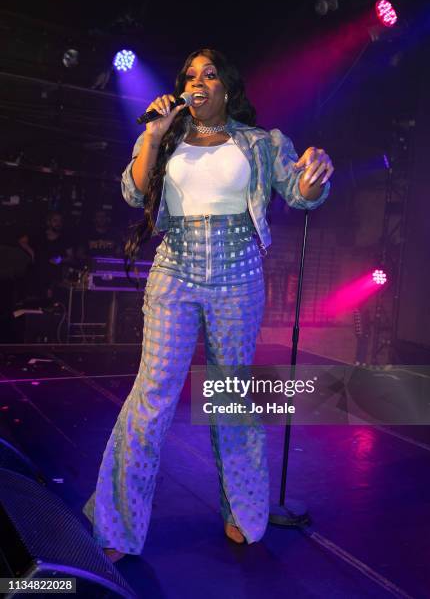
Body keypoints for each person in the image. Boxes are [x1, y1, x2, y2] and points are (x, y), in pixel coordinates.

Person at [83, 48, 334, 562]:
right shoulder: (166, 136)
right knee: (152, 397)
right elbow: (133, 191)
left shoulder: (261, 143)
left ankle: (241, 512)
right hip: (175, 270)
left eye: (209, 74)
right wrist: (154, 132)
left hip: (239, 274)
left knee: (229, 397)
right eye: (189, 75)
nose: (197, 82)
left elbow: (301, 194)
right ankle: (117, 526)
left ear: (227, 87)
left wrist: (312, 177)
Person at [18, 210, 74, 301]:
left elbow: (71, 258)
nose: (58, 223)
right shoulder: (40, 234)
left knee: (49, 304)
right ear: (49, 222)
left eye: (60, 221)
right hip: (36, 274)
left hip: (53, 278)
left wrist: (60, 259)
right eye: (55, 221)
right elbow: (21, 241)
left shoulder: (65, 238)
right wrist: (31, 252)